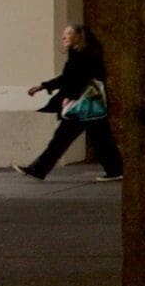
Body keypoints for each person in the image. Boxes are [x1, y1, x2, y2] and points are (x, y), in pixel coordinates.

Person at [21, 24, 121, 180]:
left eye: (68, 33)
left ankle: (39, 169)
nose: (64, 37)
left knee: (62, 139)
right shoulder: (83, 54)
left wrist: (69, 96)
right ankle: (115, 170)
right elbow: (71, 78)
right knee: (100, 138)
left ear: (79, 36)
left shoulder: (82, 55)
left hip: (82, 105)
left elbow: (77, 79)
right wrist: (44, 86)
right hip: (90, 105)